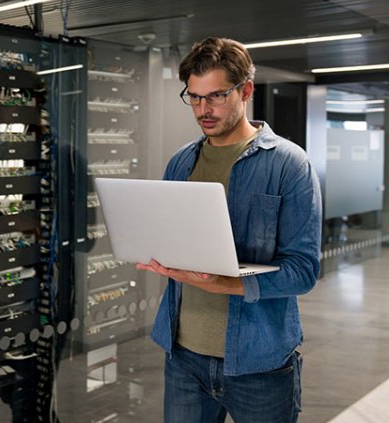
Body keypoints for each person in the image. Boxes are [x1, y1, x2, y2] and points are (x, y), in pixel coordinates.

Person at [136, 37, 322, 423]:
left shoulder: (289, 164)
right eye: (195, 97)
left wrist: (229, 283)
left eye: (217, 96)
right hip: (183, 356)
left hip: (260, 363)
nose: (204, 109)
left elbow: (303, 271)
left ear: (246, 91)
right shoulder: (180, 163)